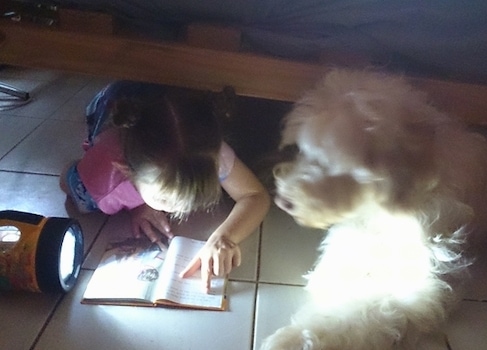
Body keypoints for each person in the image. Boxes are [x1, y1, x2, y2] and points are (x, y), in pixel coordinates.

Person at [60, 81, 270, 292]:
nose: (182, 210)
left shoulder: (206, 153)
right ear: (128, 172)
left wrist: (223, 237)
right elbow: (65, 181)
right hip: (111, 99)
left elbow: (255, 195)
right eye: (164, 200)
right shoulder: (102, 180)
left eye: (195, 197)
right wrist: (137, 205)